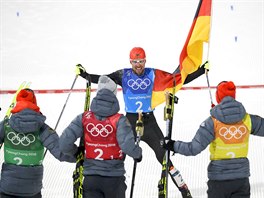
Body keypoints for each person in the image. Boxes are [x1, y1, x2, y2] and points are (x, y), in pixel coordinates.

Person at [74, 47, 205, 197]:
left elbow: (177, 79)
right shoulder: (123, 75)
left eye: (141, 61)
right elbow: (102, 78)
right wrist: (85, 75)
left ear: (145, 61)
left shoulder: (153, 74)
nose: (138, 65)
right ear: (130, 62)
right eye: (135, 61)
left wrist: (200, 71)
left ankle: (184, 189)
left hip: (150, 124)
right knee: (116, 158)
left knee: (164, 158)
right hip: (128, 123)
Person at [162, 81, 264, 198]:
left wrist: (173, 145)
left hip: (218, 181)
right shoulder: (248, 119)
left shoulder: (212, 122)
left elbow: (193, 149)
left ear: (218, 97)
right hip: (241, 181)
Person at [59, 75, 142, 198]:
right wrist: (138, 154)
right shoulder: (120, 120)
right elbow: (127, 146)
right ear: (114, 94)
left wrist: (77, 152)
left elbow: (64, 143)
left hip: (91, 178)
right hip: (114, 179)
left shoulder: (84, 117)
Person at [0, 88, 76, 198]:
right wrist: (81, 155)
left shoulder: (6, 126)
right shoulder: (43, 129)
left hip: (7, 187)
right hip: (32, 189)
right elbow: (61, 152)